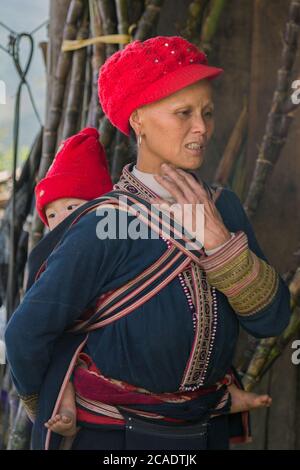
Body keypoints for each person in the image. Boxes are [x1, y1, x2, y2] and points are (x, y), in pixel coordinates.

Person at [5, 36, 290, 450]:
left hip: (205, 436)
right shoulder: (105, 223)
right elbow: (25, 334)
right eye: (183, 113)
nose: (202, 127)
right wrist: (48, 400)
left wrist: (221, 244)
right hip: (116, 441)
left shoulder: (222, 208)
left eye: (207, 113)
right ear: (138, 119)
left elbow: (273, 320)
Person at [29, 126, 113, 436]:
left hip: (112, 340)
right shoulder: (50, 258)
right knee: (59, 356)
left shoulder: (115, 243)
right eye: (51, 214)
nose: (61, 219)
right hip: (72, 342)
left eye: (72, 207)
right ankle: (65, 408)